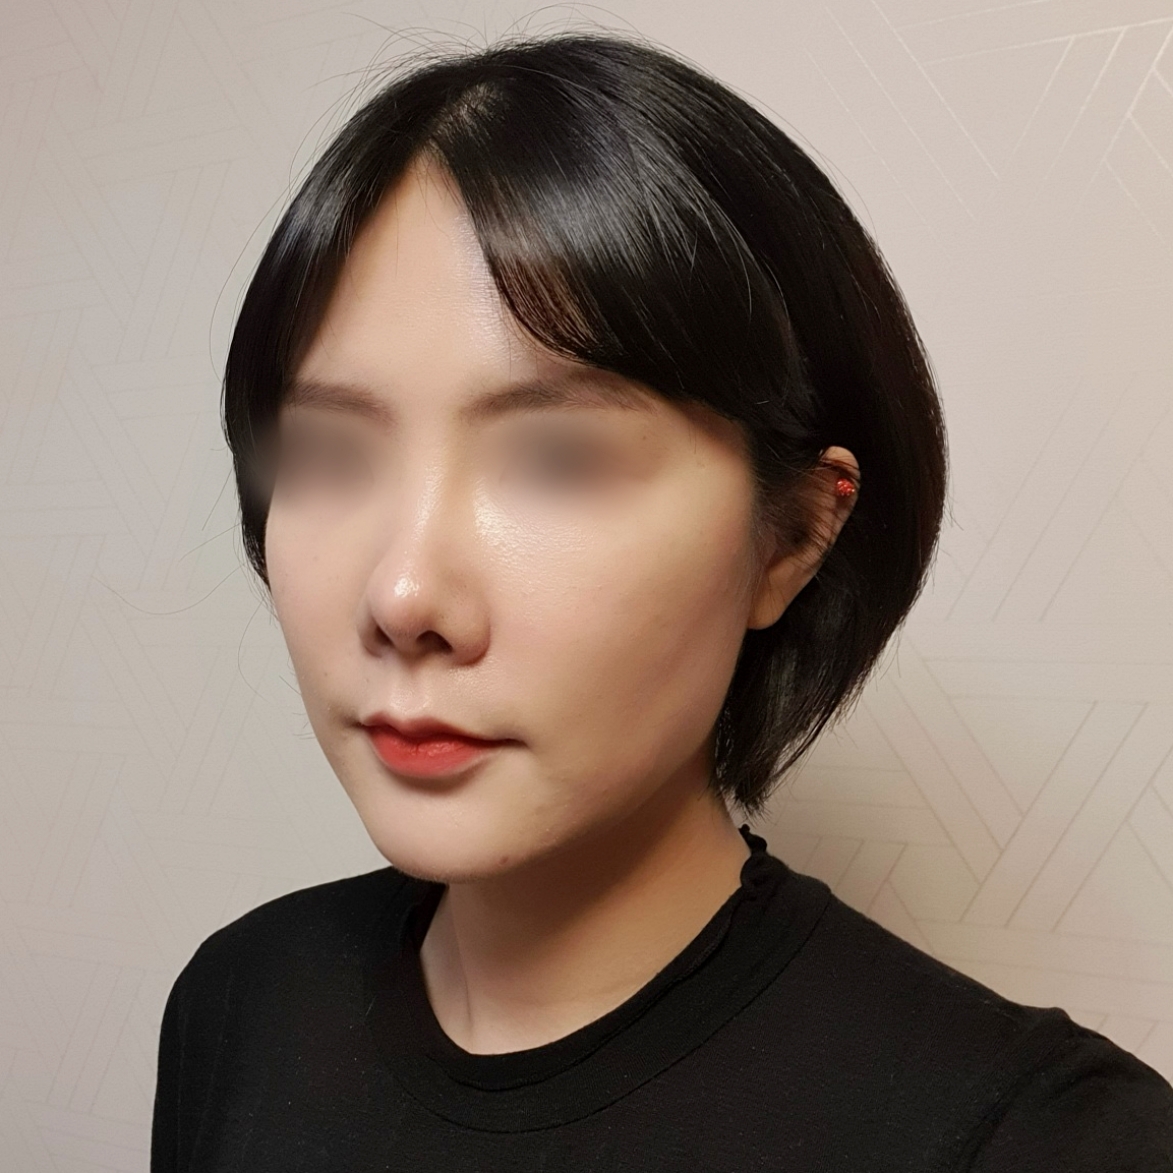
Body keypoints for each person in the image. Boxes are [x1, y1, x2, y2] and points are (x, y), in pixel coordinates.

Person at [150, 29, 1173, 1172]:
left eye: (557, 461)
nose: (403, 595)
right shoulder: (243, 1001)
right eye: (332, 454)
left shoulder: (1043, 1138)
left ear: (792, 537)